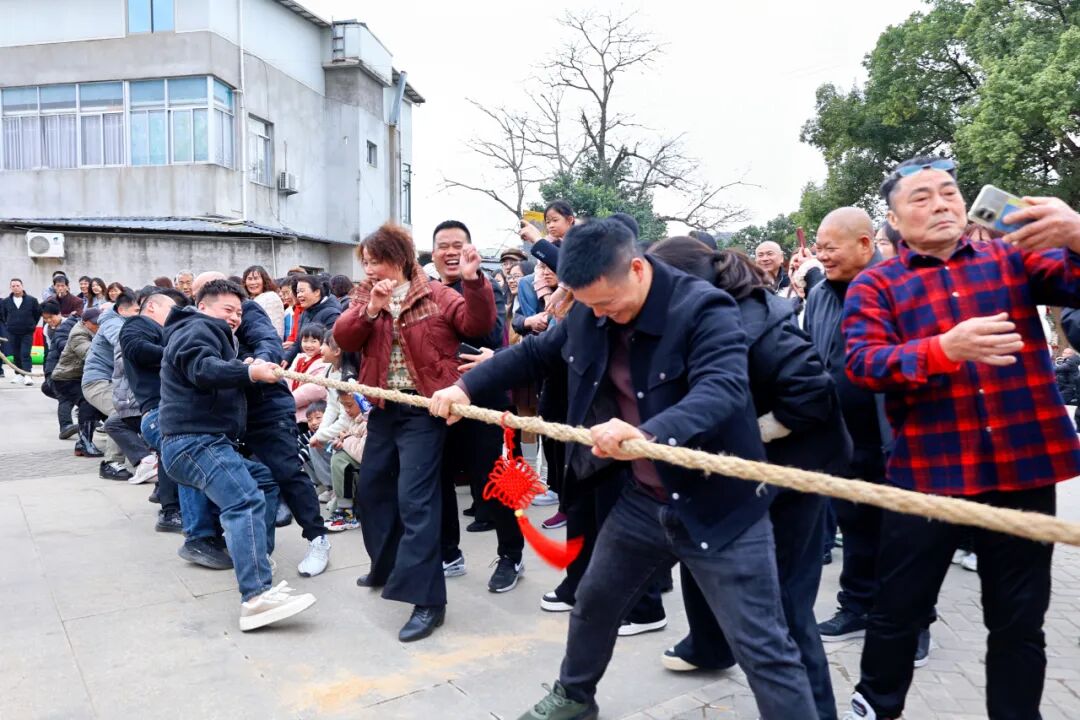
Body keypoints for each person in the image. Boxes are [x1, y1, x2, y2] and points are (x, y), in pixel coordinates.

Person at [430, 218, 816, 720]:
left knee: (763, 645)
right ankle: (573, 697)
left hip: (721, 503)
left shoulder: (704, 308)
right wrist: (465, 388)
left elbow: (721, 389)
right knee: (594, 600)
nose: (600, 316)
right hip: (644, 499)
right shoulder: (592, 310)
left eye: (608, 304)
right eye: (590, 307)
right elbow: (535, 353)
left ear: (636, 268)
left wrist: (649, 434)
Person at [840, 155, 1080, 720]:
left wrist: (1076, 232)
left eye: (948, 192)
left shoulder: (1013, 258)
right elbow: (862, 363)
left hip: (1022, 470)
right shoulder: (878, 283)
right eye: (920, 198)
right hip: (928, 475)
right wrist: (943, 350)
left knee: (1020, 620)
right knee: (897, 609)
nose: (940, 203)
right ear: (894, 223)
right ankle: (876, 707)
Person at [648, 238, 851, 720]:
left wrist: (747, 434)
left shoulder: (759, 320)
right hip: (736, 476)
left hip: (790, 477)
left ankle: (816, 711)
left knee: (782, 608)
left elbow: (812, 396)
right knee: (701, 555)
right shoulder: (694, 318)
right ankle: (710, 645)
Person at [334, 222, 496, 642]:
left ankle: (428, 601)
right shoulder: (364, 295)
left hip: (426, 410)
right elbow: (344, 337)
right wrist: (370, 307)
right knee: (371, 490)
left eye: (377, 260)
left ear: (401, 258)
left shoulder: (437, 294)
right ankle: (384, 566)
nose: (370, 268)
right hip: (385, 407)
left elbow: (477, 324)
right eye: (366, 262)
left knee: (416, 499)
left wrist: (474, 281)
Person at [801, 207, 934, 658]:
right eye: (818, 248)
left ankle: (913, 623)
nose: (822, 256)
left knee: (905, 535)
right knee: (855, 527)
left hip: (900, 437)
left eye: (829, 248)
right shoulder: (819, 293)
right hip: (844, 437)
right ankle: (856, 605)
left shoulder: (904, 287)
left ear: (864, 245)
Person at [159, 278, 316, 631]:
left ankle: (258, 561)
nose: (233, 318)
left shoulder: (210, 334)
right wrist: (249, 370)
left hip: (205, 441)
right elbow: (202, 369)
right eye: (227, 309)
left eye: (239, 312)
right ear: (203, 306)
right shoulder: (196, 327)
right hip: (194, 441)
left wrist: (244, 365)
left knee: (263, 482)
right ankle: (256, 597)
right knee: (244, 499)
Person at [192, 271, 334, 578]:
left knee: (286, 472)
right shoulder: (196, 327)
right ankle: (254, 548)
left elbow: (267, 339)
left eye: (232, 306)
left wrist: (258, 362)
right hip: (227, 415)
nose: (229, 311)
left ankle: (317, 538)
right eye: (202, 295)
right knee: (250, 481)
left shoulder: (244, 310)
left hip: (266, 407)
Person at [431, 219, 525, 593]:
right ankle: (449, 554)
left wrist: (473, 283)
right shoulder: (429, 292)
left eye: (458, 244)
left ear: (470, 250)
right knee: (440, 482)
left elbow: (488, 334)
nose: (451, 251)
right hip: (442, 405)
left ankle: (512, 555)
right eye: (443, 245)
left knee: (501, 483)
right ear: (433, 254)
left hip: (486, 404)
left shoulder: (487, 286)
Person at [118, 288, 188, 532]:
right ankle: (171, 511)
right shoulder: (138, 323)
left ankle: (168, 501)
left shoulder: (159, 331)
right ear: (152, 307)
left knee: (172, 451)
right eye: (170, 311)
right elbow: (137, 349)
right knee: (174, 449)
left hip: (166, 404)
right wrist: (180, 354)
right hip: (158, 405)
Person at [81, 292, 141, 480]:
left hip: (113, 382)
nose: (140, 314)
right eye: (136, 310)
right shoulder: (113, 322)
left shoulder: (126, 322)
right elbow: (123, 342)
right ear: (122, 310)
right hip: (97, 382)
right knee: (121, 410)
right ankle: (110, 463)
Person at [51, 308, 104, 456]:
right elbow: (90, 354)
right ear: (85, 322)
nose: (98, 325)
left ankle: (84, 442)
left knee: (97, 404)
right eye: (95, 323)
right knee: (88, 402)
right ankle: (84, 443)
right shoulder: (78, 334)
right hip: (66, 378)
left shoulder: (96, 331)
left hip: (82, 377)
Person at [325, 391, 368, 532]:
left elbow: (363, 454)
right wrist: (340, 441)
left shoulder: (368, 421)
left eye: (349, 405)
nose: (347, 410)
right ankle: (341, 503)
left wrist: (346, 440)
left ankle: (347, 513)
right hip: (359, 470)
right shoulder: (353, 419)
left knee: (340, 459)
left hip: (369, 471)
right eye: (343, 406)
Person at [40, 301, 80, 438]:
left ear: (59, 314)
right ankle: (65, 426)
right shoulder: (47, 329)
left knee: (68, 395)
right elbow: (51, 350)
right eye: (45, 318)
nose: (49, 321)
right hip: (57, 367)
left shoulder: (69, 325)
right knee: (62, 394)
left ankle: (90, 419)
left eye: (51, 317)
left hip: (66, 368)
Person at [285, 275, 341, 364]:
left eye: (302, 291)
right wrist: (286, 358)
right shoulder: (305, 312)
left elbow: (331, 346)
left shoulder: (332, 314)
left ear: (317, 292)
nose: (299, 295)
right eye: (298, 292)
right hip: (305, 361)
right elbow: (298, 342)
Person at [288, 323, 329, 431]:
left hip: (309, 414)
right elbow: (288, 378)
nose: (308, 345)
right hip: (291, 409)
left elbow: (315, 389)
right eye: (305, 341)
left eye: (313, 341)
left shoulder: (324, 362)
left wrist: (288, 400)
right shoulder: (299, 358)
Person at [2, 278, 41, 385]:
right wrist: (9, 324)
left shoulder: (32, 300)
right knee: (16, 354)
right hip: (12, 331)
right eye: (13, 286)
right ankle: (19, 374)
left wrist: (31, 325)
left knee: (25, 353)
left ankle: (28, 374)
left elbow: (37, 314)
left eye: (17, 285)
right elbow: (4, 315)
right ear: (10, 288)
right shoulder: (6, 302)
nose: (15, 287)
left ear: (22, 286)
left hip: (27, 332)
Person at [242, 265, 285, 338]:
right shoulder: (248, 299)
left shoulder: (271, 297)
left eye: (256, 278)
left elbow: (274, 326)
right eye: (249, 279)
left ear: (264, 280)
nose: (252, 282)